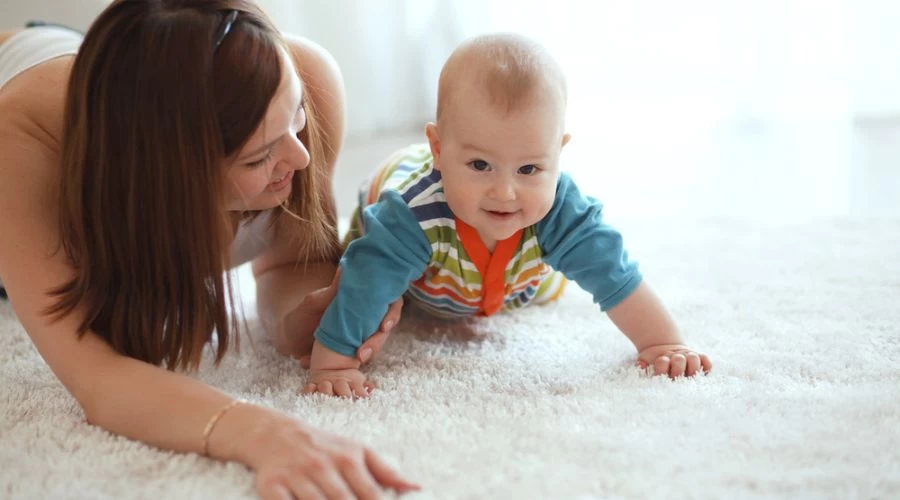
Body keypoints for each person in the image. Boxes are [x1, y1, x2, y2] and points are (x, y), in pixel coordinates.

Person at [0, 1, 416, 498]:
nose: (300, 156)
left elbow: (287, 261)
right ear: (168, 175)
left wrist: (303, 320)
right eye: (260, 156)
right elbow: (97, 377)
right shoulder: (24, 150)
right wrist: (264, 433)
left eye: (297, 115)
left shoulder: (295, 76)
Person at [302, 33, 713, 397]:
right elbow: (365, 283)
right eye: (480, 165)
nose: (505, 192)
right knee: (365, 266)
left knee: (544, 282)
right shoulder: (409, 216)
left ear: (557, 153)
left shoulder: (561, 210)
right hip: (410, 262)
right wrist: (334, 362)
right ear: (439, 150)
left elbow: (616, 274)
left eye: (529, 169)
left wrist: (663, 344)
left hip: (505, 280)